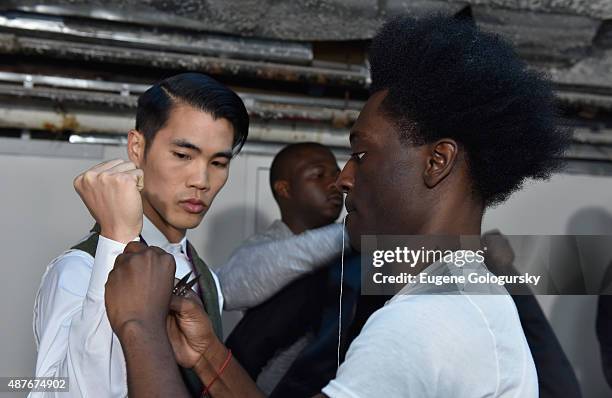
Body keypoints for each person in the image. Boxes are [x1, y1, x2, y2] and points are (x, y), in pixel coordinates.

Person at [95, 14, 570, 398]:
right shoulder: (463, 294)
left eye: (361, 154)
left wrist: (140, 329)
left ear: (436, 162)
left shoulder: (424, 324)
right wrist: (208, 358)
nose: (344, 178)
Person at [31, 72, 249, 397]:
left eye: (218, 162)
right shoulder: (80, 270)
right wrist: (116, 242)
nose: (201, 180)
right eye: (183, 155)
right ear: (137, 147)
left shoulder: (205, 278)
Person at [218, 142, 345, 395]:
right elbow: (228, 288)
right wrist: (351, 234)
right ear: (285, 189)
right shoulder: (266, 247)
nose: (335, 184)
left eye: (336, 175)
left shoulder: (358, 251)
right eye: (319, 175)